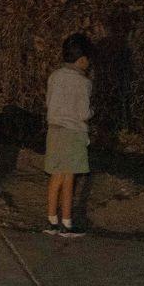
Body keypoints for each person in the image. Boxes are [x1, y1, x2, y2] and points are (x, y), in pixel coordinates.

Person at [43, 33, 93, 238]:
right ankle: (67, 222)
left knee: (56, 176)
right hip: (73, 133)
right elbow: (83, 113)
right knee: (69, 177)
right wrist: (92, 112)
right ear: (82, 59)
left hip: (54, 131)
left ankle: (51, 220)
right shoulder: (83, 82)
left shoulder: (54, 77)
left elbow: (49, 103)